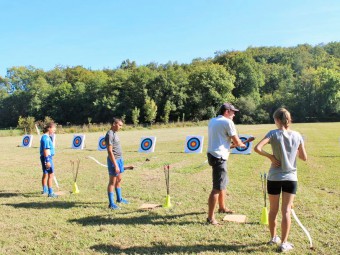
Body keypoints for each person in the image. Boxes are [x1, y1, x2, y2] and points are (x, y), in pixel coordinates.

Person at [254, 108, 307, 253]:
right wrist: (292, 150)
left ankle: (273, 238)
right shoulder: (297, 135)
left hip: (274, 178)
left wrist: (270, 157)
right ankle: (284, 243)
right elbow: (304, 157)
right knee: (286, 211)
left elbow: (257, 148)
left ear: (277, 120)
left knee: (273, 210)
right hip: (291, 178)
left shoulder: (272, 133)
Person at [206, 103, 246, 225]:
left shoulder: (213, 120)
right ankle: (210, 218)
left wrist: (235, 144)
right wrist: (241, 144)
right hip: (219, 157)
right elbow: (236, 141)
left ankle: (222, 207)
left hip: (213, 154)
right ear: (227, 111)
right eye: (233, 112)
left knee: (222, 183)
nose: (234, 115)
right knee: (217, 188)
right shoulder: (228, 122)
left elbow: (222, 140)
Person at [105, 117, 134, 210]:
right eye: (120, 125)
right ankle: (111, 204)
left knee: (119, 180)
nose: (121, 127)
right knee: (112, 182)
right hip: (114, 160)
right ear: (114, 124)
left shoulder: (115, 133)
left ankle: (119, 199)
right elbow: (109, 151)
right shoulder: (109, 134)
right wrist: (116, 165)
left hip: (119, 160)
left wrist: (126, 166)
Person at [40, 122, 58, 198]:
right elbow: (46, 150)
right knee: (51, 175)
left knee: (45, 173)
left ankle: (45, 189)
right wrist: (47, 161)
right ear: (49, 128)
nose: (54, 130)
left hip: (45, 157)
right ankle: (50, 193)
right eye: (53, 129)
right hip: (47, 158)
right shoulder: (46, 138)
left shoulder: (46, 137)